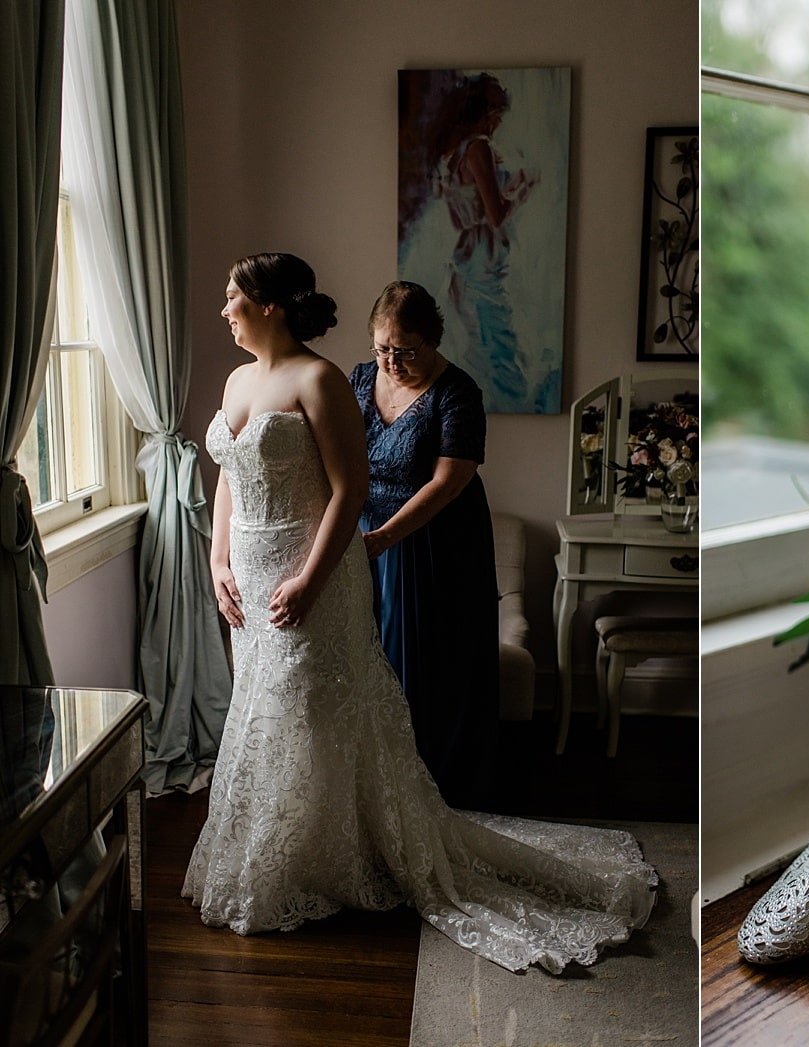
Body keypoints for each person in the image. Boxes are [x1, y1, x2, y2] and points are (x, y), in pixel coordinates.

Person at [185, 253, 654, 973]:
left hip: (329, 564)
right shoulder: (244, 379)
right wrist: (217, 562)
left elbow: (351, 488)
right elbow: (231, 476)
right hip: (249, 574)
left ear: (270, 305)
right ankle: (286, 846)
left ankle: (343, 848)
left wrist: (315, 576)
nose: (223, 309)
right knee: (262, 708)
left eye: (231, 297)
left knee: (317, 702)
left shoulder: (324, 381)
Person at [352, 280, 498, 809]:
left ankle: (432, 789)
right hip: (365, 532)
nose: (391, 362)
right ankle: (376, 783)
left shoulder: (458, 392)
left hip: (435, 540)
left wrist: (388, 536)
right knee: (366, 655)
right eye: (382, 348)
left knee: (428, 661)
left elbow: (449, 481)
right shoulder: (360, 379)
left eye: (405, 350)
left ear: (432, 340)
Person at [430, 73, 540, 411]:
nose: (498, 122)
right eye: (496, 114)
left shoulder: (454, 152)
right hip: (482, 254)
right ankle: (510, 400)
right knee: (496, 337)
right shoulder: (479, 148)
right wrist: (521, 191)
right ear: (484, 112)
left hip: (468, 250)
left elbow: (464, 208)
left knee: (482, 339)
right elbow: (496, 214)